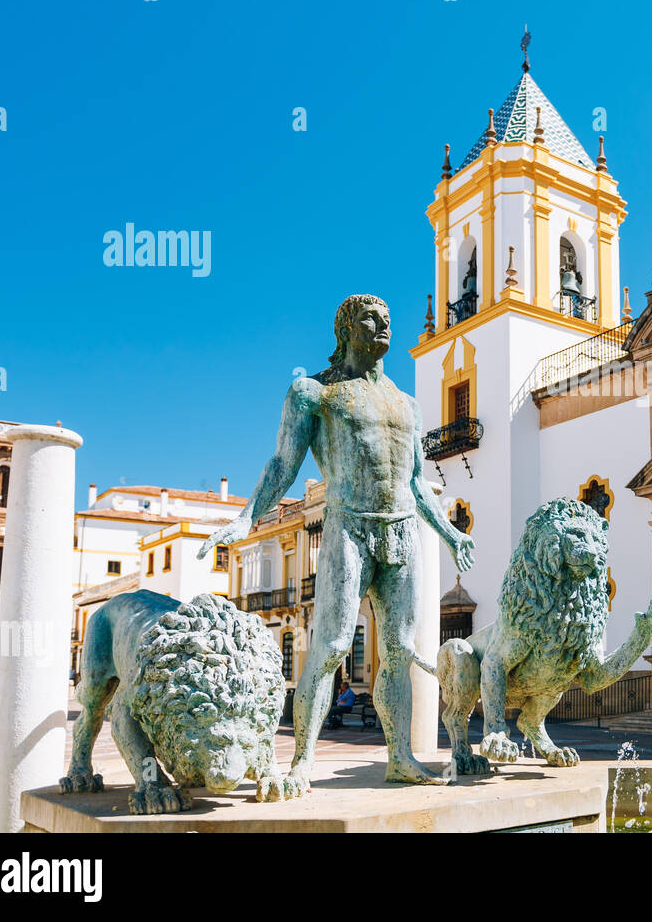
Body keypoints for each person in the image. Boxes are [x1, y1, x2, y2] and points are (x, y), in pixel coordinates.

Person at [199, 294, 475, 793]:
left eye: (388, 318)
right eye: (372, 319)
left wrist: (450, 532)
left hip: (401, 528)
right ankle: (302, 761)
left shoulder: (406, 403)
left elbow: (415, 483)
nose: (384, 325)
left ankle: (401, 757)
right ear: (346, 329)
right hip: (348, 525)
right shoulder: (313, 392)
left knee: (398, 649)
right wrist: (246, 519)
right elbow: (284, 463)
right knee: (328, 647)